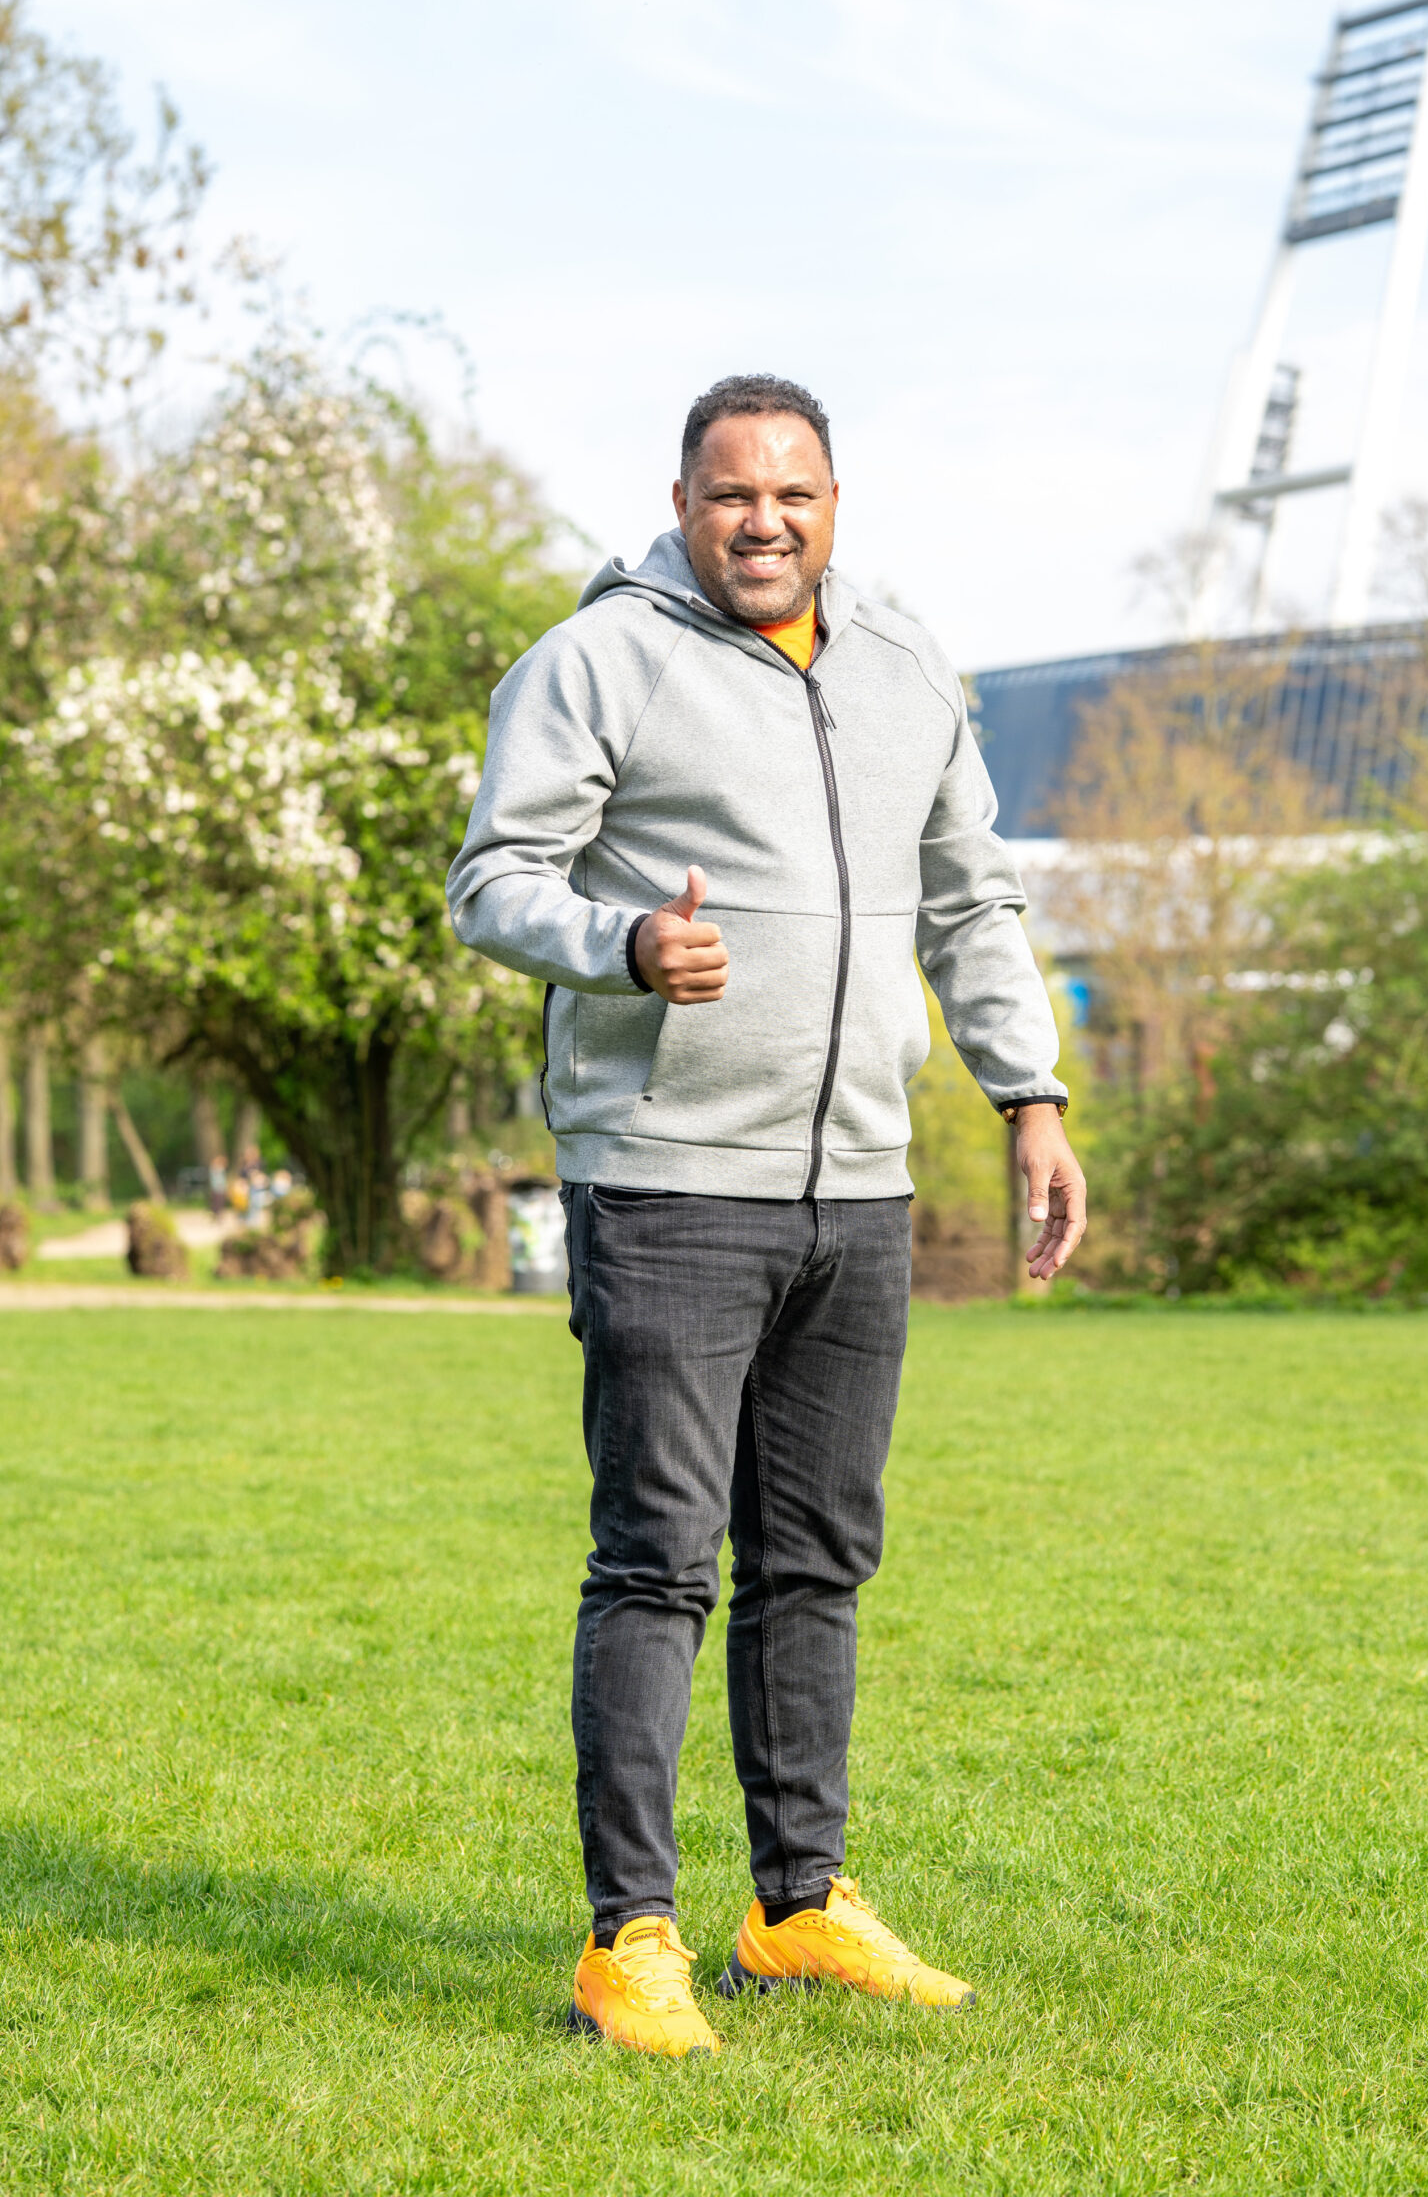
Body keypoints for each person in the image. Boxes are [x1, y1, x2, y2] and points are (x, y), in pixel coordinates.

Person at [447, 374, 1087, 2056]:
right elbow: (493, 874)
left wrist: (1027, 1096)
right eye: (731, 495)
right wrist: (625, 942)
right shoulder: (600, 658)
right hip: (665, 1177)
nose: (763, 522)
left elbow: (970, 896)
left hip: (855, 1187)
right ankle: (626, 1943)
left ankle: (797, 1906)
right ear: (681, 501)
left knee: (816, 1563)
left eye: (792, 493)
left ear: (832, 500)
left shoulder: (900, 665)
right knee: (658, 1563)